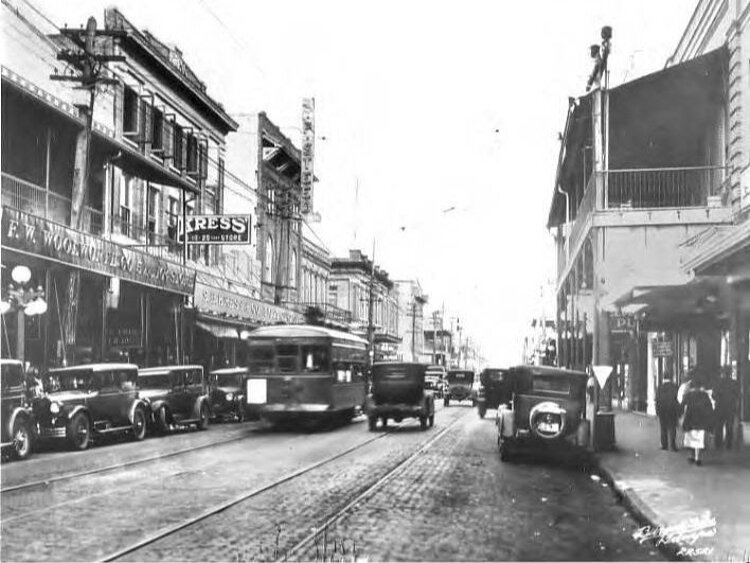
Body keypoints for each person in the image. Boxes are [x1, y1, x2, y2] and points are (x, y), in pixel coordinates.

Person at [681, 375, 714, 466]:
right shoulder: (704, 395)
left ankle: (691, 456)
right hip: (701, 420)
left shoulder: (688, 395)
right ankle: (697, 458)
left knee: (690, 438)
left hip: (690, 419)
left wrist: (680, 416)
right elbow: (709, 408)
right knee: (699, 439)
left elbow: (682, 405)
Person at [713, 366, 740, 449]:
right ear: (730, 373)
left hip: (720, 407)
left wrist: (718, 399)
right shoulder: (735, 383)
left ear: (722, 373)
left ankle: (718, 444)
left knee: (718, 426)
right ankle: (728, 444)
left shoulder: (718, 383)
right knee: (729, 426)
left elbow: (714, 395)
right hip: (730, 407)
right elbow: (737, 395)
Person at [655, 374, 680, 451]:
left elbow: (657, 400)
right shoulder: (675, 387)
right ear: (671, 378)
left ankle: (664, 445)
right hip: (672, 409)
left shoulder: (659, 387)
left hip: (662, 410)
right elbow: (677, 399)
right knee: (672, 427)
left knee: (663, 427)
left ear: (663, 378)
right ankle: (672, 445)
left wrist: (657, 411)